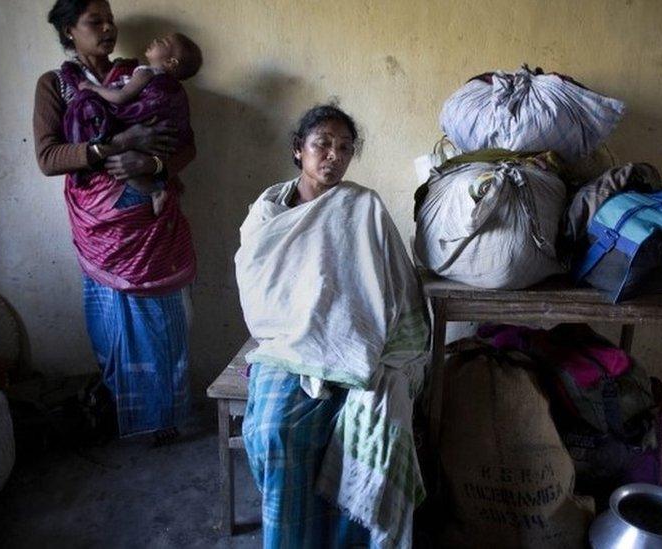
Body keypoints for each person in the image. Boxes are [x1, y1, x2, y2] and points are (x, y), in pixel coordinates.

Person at [235, 105, 430, 548]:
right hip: (288, 345)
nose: (333, 156)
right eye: (322, 144)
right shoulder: (267, 213)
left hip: (357, 346)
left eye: (344, 148)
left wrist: (365, 338)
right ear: (298, 151)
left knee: (371, 432)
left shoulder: (363, 206)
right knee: (274, 432)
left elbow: (396, 285)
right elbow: (261, 292)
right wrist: (305, 328)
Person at [33, 0, 196, 446]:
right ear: (69, 31)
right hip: (99, 224)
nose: (108, 28)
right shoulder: (56, 86)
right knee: (113, 329)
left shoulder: (137, 73)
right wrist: (113, 144)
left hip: (150, 221)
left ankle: (164, 417)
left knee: (162, 321)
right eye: (94, 22)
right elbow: (48, 157)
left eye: (110, 20)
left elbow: (184, 144)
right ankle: (130, 417)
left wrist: (154, 163)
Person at [78, 32, 203, 214]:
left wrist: (92, 88)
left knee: (116, 162)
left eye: (162, 41)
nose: (155, 40)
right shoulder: (175, 88)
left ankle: (155, 190)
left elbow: (121, 98)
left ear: (171, 62)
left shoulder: (145, 72)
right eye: (95, 23)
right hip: (162, 145)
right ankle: (160, 185)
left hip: (145, 147)